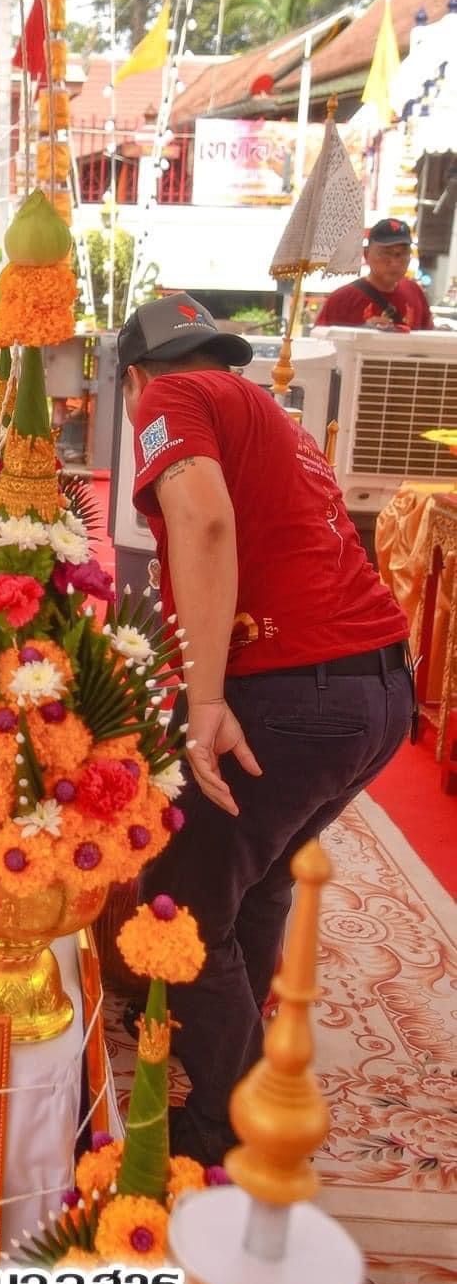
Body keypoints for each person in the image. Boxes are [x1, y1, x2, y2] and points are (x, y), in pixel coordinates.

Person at [120, 292, 412, 1163]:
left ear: (134, 377)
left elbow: (203, 521)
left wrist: (203, 701)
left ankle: (232, 1124)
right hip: (376, 690)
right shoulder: (268, 414)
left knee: (182, 908)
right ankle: (236, 1053)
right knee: (259, 876)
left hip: (289, 698)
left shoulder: (172, 400)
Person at [313, 216, 433, 331]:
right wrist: (361, 333)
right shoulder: (342, 299)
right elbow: (319, 345)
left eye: (401, 254)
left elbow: (428, 342)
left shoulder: (414, 292)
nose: (394, 263)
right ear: (366, 255)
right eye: (386, 253)